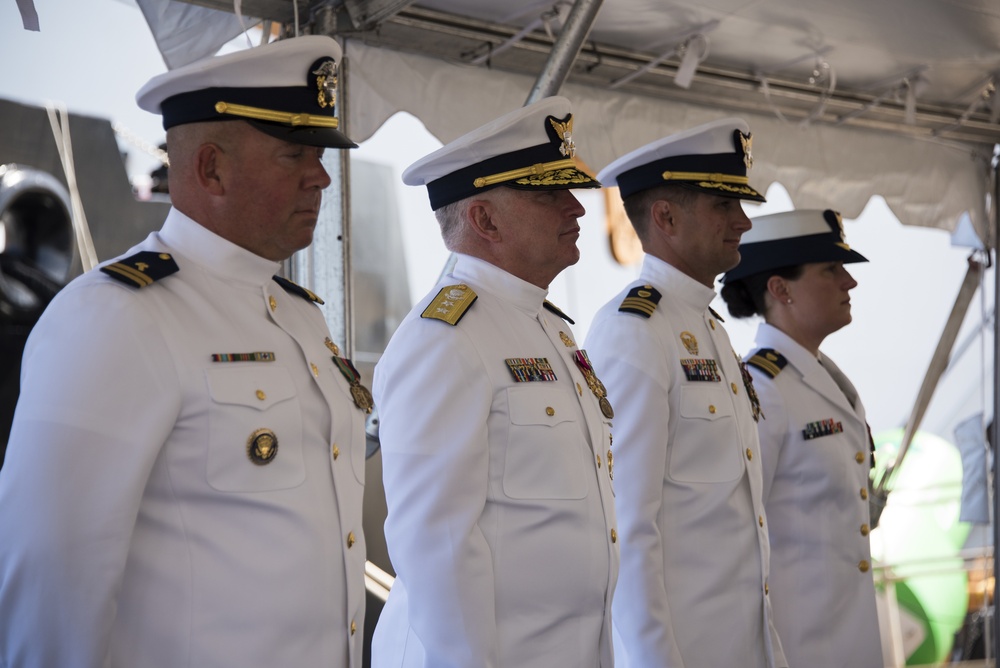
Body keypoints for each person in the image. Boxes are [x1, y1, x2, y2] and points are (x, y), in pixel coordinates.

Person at [0, 35, 370, 668]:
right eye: (295, 154)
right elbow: (51, 577)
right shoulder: (118, 315)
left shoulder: (303, 317)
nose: (322, 176)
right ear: (209, 169)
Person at [371, 96, 619, 668]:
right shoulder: (445, 338)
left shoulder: (547, 329)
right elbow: (438, 548)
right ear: (484, 219)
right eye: (550, 193)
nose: (576, 209)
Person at [585, 117, 786, 668]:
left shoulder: (707, 328)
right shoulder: (635, 332)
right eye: (723, 206)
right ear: (665, 216)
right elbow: (625, 530)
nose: (743, 222)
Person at [720, 209, 883, 668]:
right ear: (780, 288)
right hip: (798, 648)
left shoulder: (826, 381)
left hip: (848, 641)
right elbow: (742, 542)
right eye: (830, 269)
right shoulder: (763, 390)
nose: (848, 282)